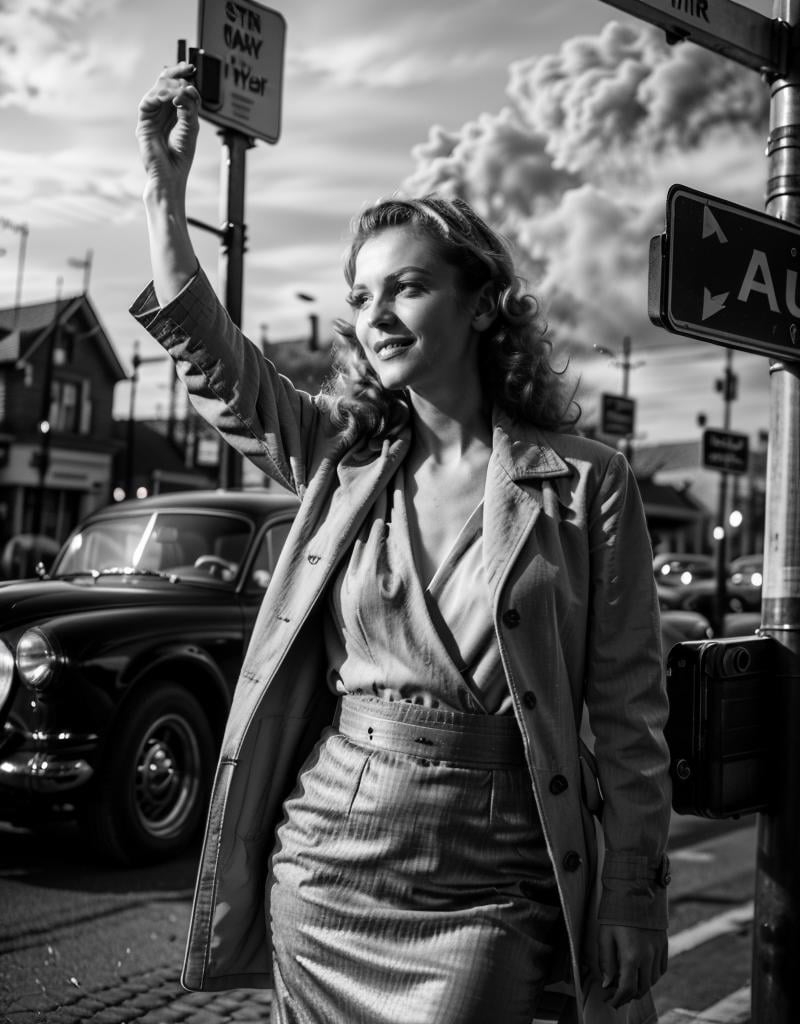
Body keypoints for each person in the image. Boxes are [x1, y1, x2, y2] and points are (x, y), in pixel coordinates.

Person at [132, 62, 671, 1024]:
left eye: (407, 287)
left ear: (479, 303)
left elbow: (629, 712)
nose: (376, 314)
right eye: (362, 295)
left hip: (497, 876)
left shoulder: (588, 481)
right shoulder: (341, 462)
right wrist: (164, 199)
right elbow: (214, 359)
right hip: (329, 862)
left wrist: (632, 893)